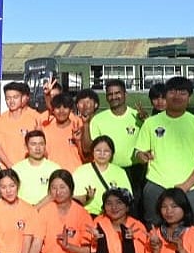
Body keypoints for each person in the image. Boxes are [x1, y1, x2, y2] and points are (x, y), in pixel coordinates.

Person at [134, 76, 194, 226]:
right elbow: (139, 152)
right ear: (166, 95)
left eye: (182, 93)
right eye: (172, 92)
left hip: (191, 190)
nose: (177, 96)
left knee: (191, 233)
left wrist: (186, 186)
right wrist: (141, 156)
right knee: (154, 232)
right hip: (157, 186)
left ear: (189, 98)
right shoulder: (151, 123)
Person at [26, 170, 94, 253]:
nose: (58, 191)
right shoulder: (46, 210)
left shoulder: (82, 214)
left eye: (62, 187)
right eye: (54, 188)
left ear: (71, 188)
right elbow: (37, 242)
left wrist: (69, 247)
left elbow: (89, 251)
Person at [84, 78, 146, 213]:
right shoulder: (99, 119)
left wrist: (146, 121)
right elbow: (91, 147)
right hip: (110, 170)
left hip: (135, 171)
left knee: (135, 210)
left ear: (125, 94)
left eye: (117, 93)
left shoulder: (138, 116)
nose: (114, 97)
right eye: (110, 94)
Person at [72, 135, 131, 216]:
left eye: (106, 151)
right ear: (92, 152)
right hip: (87, 215)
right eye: (98, 151)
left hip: (112, 217)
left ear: (112, 153)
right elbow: (72, 199)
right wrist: (87, 197)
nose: (102, 154)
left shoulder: (120, 172)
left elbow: (128, 198)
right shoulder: (81, 171)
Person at [0, 82, 39, 167]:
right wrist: (9, 165)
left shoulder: (32, 119)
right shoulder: (1, 120)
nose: (11, 101)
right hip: (7, 169)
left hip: (28, 168)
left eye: (15, 97)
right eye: (8, 98)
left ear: (22, 98)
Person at [12, 130, 61, 206]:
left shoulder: (55, 169)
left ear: (45, 146)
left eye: (41, 144)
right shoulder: (16, 169)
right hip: (23, 213)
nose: (38, 148)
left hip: (48, 211)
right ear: (26, 147)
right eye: (33, 144)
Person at [42, 94, 83, 171]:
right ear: (53, 110)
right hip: (54, 175)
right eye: (58, 108)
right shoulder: (46, 131)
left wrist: (78, 141)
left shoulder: (78, 129)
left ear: (71, 110)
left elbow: (86, 156)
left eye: (65, 107)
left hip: (75, 175)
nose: (61, 111)